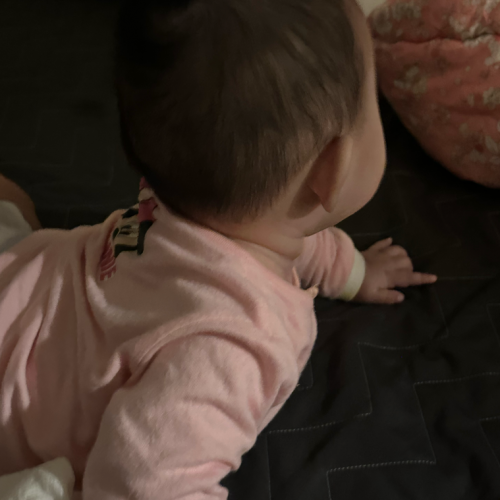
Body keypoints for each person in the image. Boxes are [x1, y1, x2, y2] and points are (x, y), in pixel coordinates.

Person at [0, 0, 437, 498]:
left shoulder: (182, 192)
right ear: (331, 169)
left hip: (25, 280)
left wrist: (355, 273)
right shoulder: (227, 347)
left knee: (12, 198)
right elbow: (141, 484)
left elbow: (299, 239)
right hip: (15, 414)